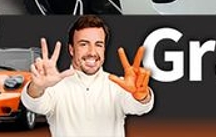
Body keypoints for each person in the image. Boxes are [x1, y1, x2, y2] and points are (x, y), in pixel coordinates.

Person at [21, 15, 153, 137]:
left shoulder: (118, 85)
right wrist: (37, 87)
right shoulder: (55, 87)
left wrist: (142, 97)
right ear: (71, 49)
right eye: (84, 44)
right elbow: (34, 104)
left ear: (104, 49)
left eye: (98, 45)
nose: (92, 52)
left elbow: (139, 107)